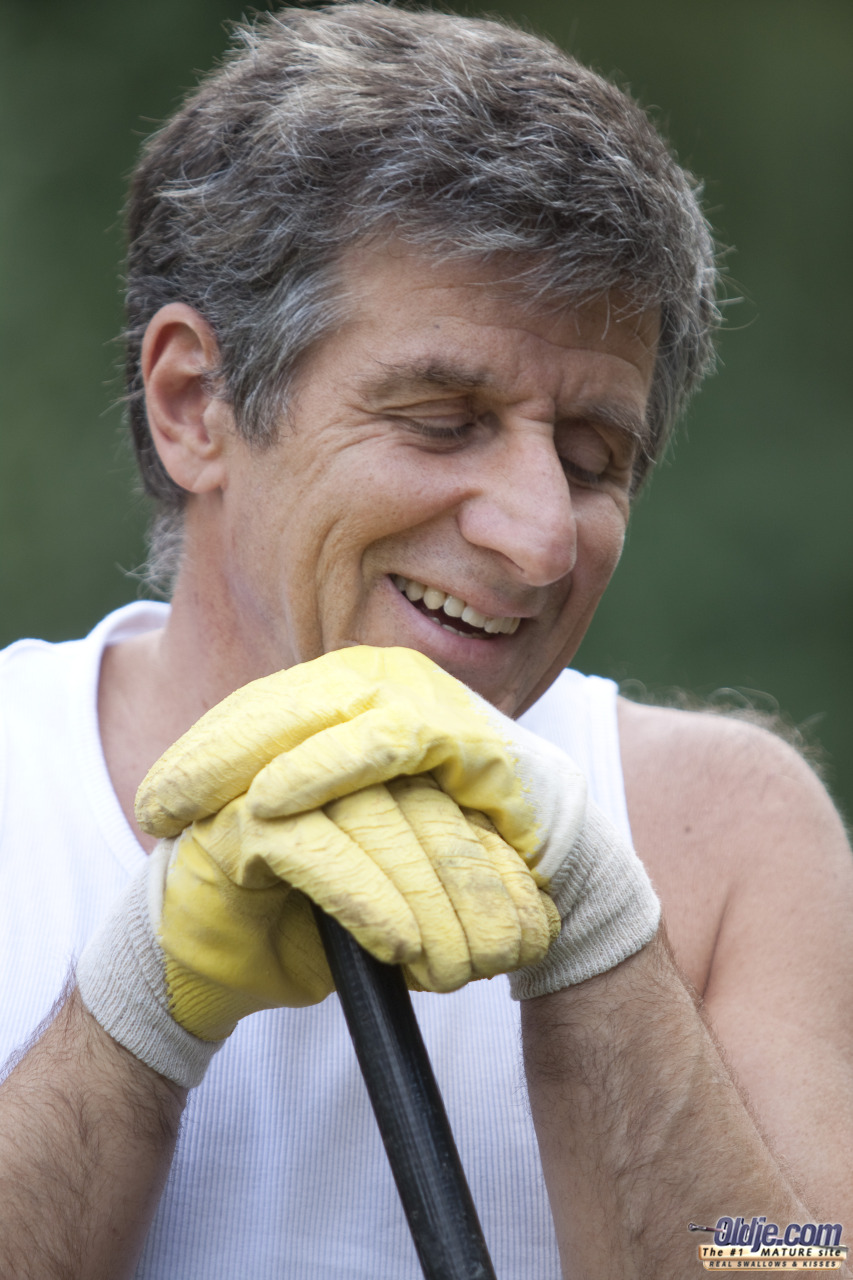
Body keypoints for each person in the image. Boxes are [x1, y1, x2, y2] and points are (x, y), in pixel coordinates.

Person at [1, 3, 851, 1277]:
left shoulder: (726, 832)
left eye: (591, 458)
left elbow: (788, 1257)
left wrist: (606, 942)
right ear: (195, 404)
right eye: (443, 420)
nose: (539, 537)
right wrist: (129, 1010)